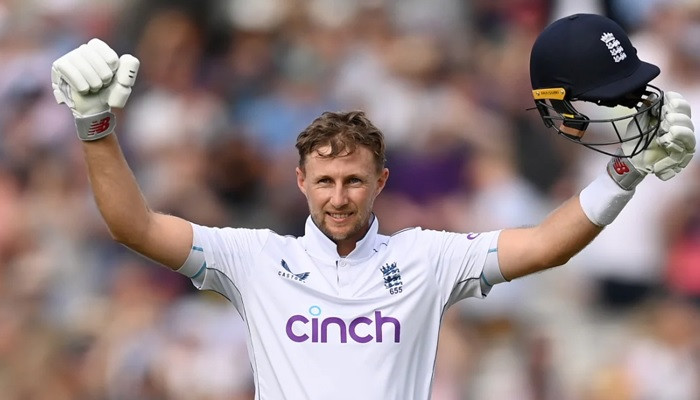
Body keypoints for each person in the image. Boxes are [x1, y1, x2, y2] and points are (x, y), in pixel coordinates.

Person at [50, 13, 695, 400]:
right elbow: (133, 226)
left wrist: (625, 172)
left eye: (354, 181)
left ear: (381, 181)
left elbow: (545, 244)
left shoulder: (425, 258)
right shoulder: (254, 259)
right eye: (325, 181)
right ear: (300, 181)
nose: (339, 197)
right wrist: (95, 130)